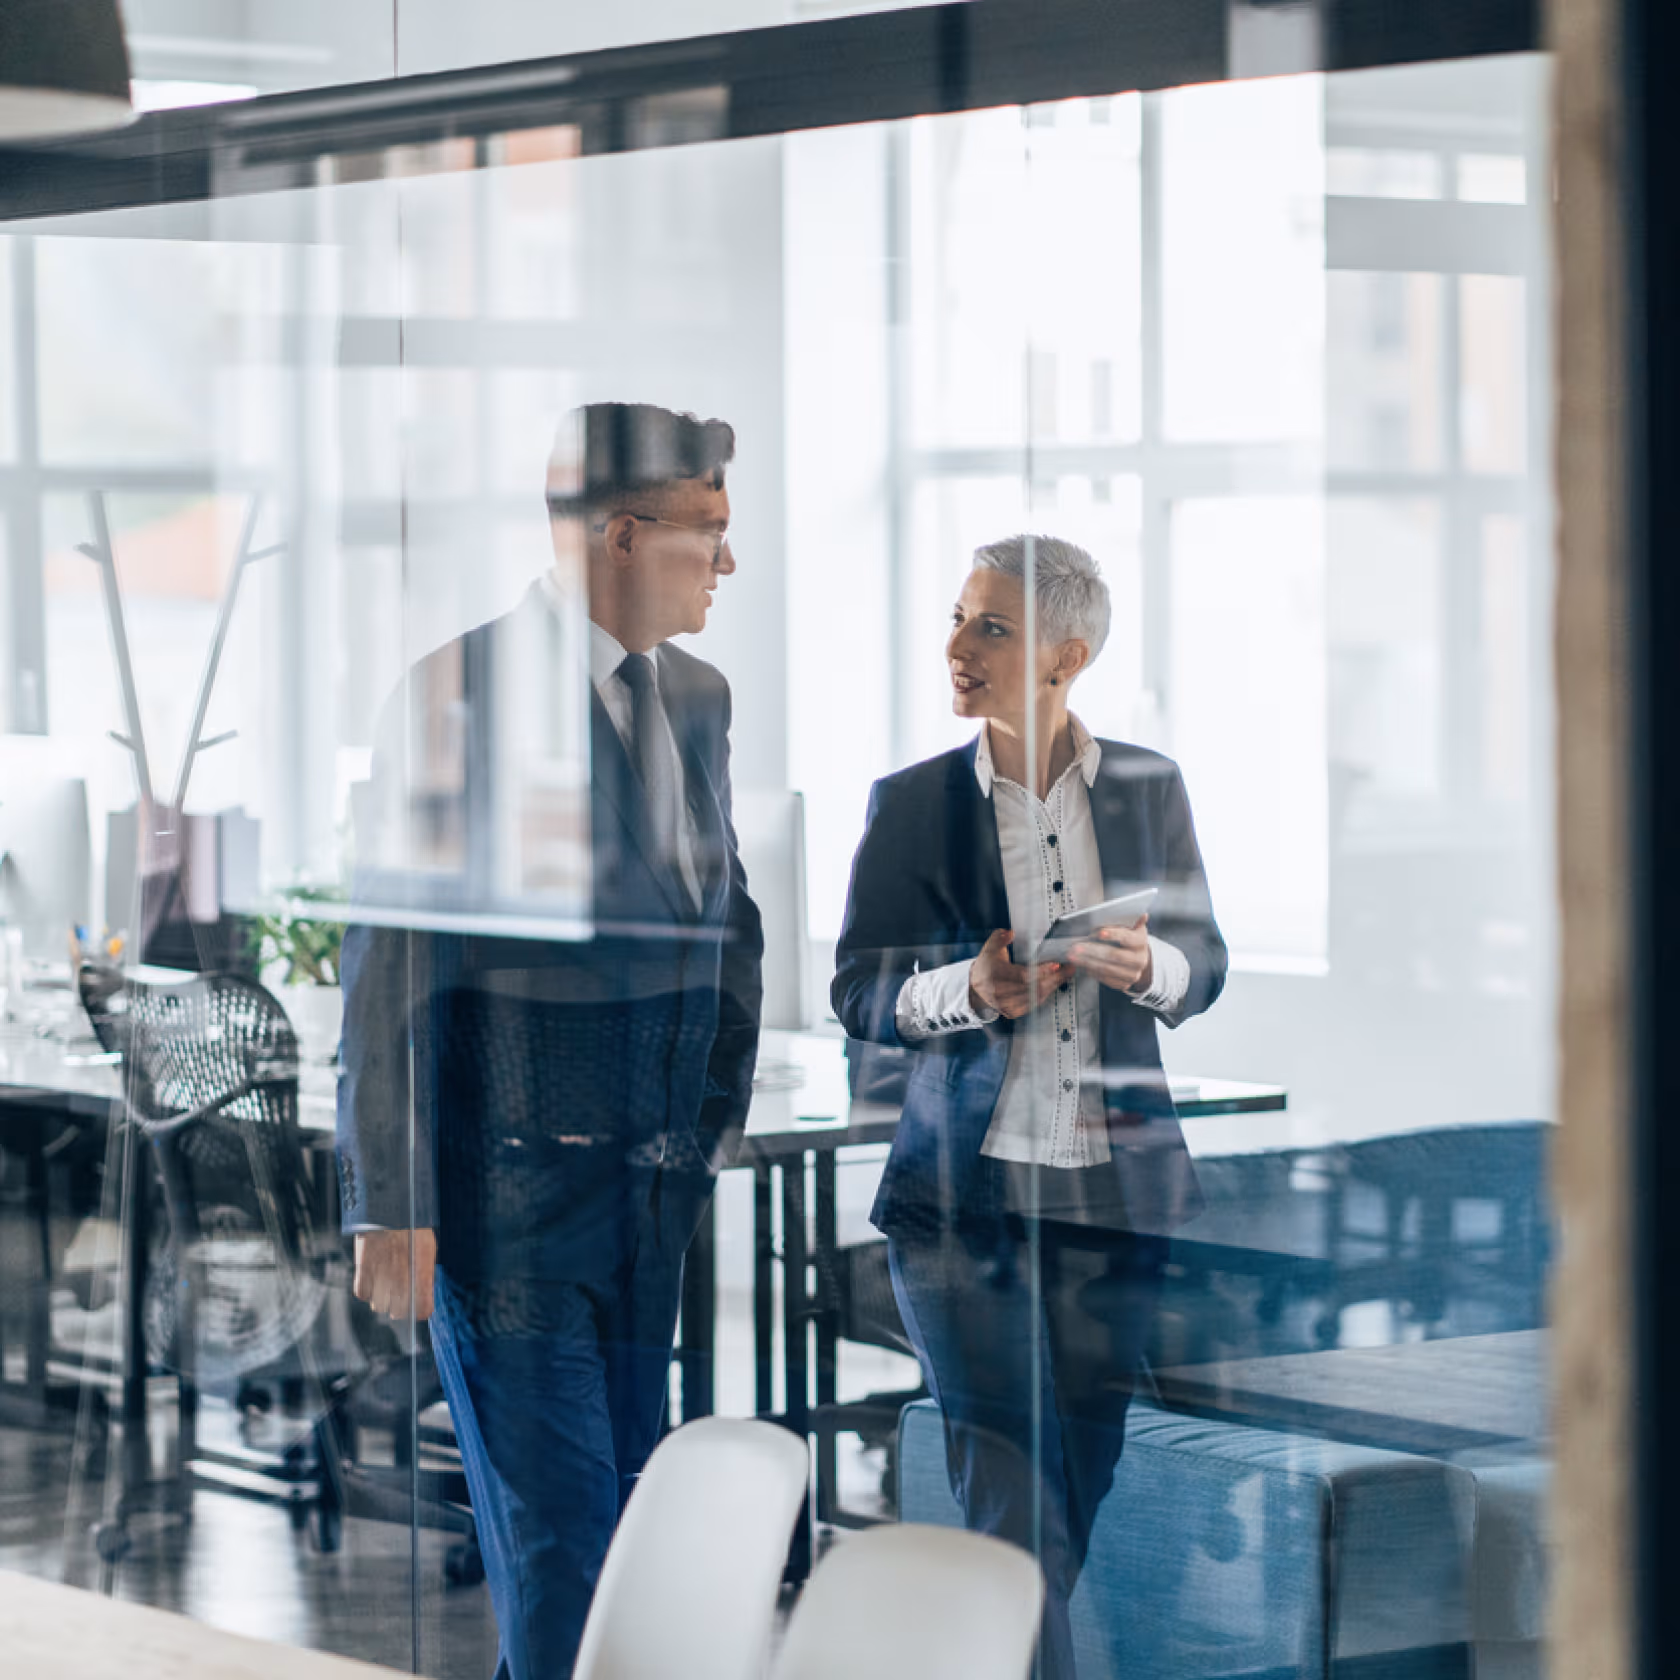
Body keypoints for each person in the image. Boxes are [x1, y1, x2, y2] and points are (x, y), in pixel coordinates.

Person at [336, 402, 764, 1680]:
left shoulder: (698, 695)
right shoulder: (458, 691)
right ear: (622, 534)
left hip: (651, 1198)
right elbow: (389, 961)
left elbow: (721, 909)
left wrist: (713, 1115)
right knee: (564, 1545)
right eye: (709, 535)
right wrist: (388, 1200)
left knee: (639, 1530)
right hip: (507, 1199)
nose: (727, 568)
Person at [832, 535, 1227, 1680]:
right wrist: (970, 988)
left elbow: (1205, 964)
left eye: (989, 628)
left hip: (1113, 1203)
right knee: (1008, 1495)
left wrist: (1143, 966)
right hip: (962, 1208)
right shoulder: (910, 806)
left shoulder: (1151, 786)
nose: (956, 646)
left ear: (1067, 655)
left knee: (1076, 1481)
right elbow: (856, 988)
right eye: (957, 619)